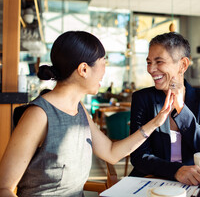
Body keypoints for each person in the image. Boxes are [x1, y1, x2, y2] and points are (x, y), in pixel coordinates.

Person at [0, 31, 171, 197]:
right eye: (103, 62)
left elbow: (111, 153)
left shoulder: (79, 107)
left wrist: (156, 122)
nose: (105, 71)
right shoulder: (38, 115)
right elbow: (4, 188)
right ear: (83, 69)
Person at [130, 32, 200, 186]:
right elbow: (138, 156)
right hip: (151, 180)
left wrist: (181, 108)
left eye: (159, 61)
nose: (151, 69)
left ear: (182, 65)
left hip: (193, 182)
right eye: (149, 62)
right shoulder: (142, 99)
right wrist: (176, 170)